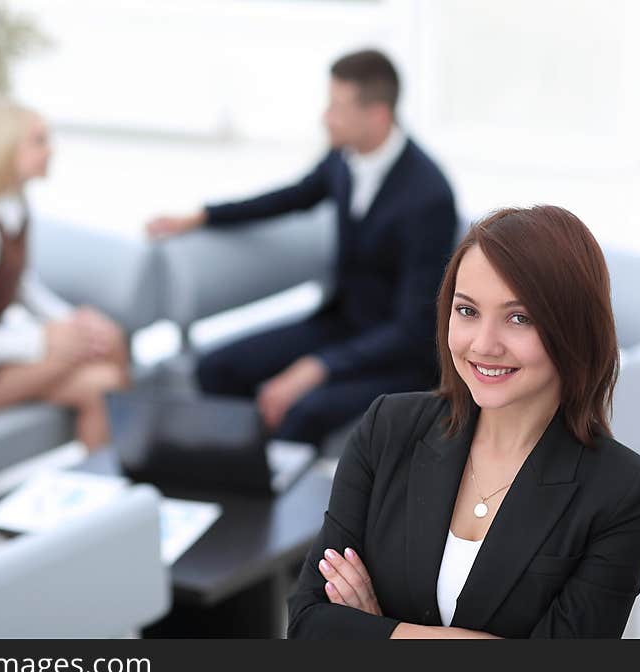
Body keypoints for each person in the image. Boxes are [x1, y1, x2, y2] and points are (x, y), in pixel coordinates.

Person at [287, 205, 640, 638]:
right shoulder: (388, 427)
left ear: (574, 329)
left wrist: (377, 631)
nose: (484, 344)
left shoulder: (620, 491)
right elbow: (308, 623)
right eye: (467, 311)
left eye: (519, 318)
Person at [147, 49, 456, 445]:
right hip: (340, 325)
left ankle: (281, 497)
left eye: (336, 107)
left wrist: (317, 367)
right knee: (216, 368)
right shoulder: (343, 159)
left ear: (377, 115)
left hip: (397, 353)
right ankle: (241, 477)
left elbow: (413, 328)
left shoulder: (428, 196)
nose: (325, 117)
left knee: (304, 410)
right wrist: (204, 216)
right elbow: (290, 197)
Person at [0, 96, 129, 450]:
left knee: (108, 346)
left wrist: (73, 321)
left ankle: (121, 477)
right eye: (39, 141)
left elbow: (22, 285)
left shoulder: (15, 210)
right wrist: (42, 342)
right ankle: (112, 481)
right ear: (6, 150)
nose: (51, 150)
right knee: (103, 377)